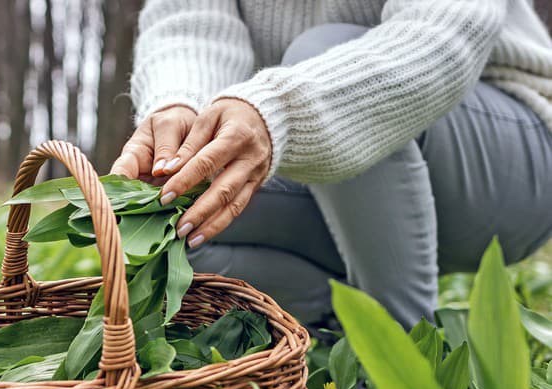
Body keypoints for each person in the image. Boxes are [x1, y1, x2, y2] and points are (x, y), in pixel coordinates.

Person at [111, 0, 552, 329]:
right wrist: (181, 113)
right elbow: (187, 27)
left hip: (509, 160)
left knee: (320, 49)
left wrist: (280, 111)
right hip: (336, 183)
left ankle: (404, 360)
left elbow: (444, 31)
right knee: (177, 218)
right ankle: (344, 331)